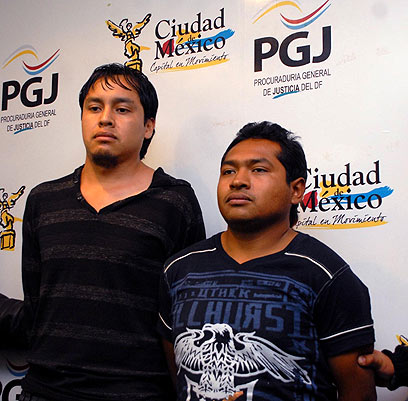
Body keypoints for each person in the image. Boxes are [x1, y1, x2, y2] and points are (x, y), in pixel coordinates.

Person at [0, 63, 205, 401]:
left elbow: (185, 317)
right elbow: (37, 308)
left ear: (148, 126)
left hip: (138, 394)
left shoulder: (175, 202)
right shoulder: (43, 200)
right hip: (45, 391)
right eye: (94, 107)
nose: (105, 118)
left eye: (122, 109)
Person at [158, 121, 376, 401]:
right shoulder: (179, 270)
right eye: (228, 171)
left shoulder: (325, 275)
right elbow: (178, 377)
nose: (238, 181)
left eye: (258, 169)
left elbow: (358, 393)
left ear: (296, 190)